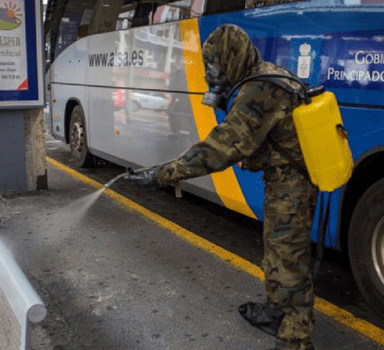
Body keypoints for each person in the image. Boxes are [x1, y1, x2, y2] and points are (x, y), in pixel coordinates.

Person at [127, 24, 318, 350]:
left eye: (216, 67)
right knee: (277, 252)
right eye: (209, 68)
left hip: (294, 186)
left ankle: (296, 340)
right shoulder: (263, 73)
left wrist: (164, 174)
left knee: (289, 262)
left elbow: (221, 148)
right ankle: (276, 313)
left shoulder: (259, 89)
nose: (212, 76)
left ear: (233, 59)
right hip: (284, 181)